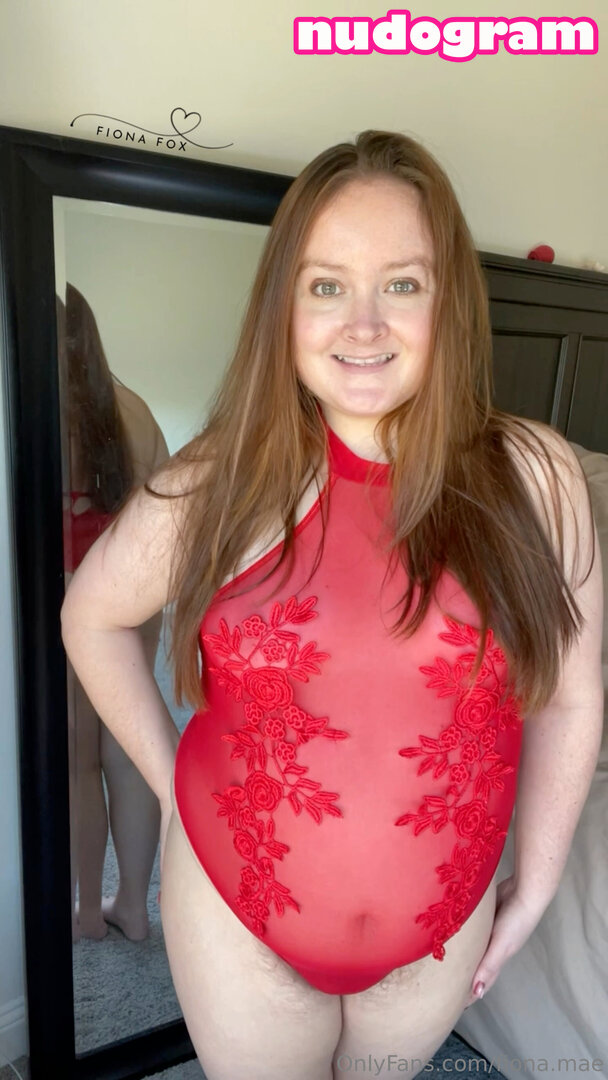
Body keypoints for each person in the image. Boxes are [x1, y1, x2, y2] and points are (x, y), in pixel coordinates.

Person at [60, 131, 603, 1079]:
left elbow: (570, 692)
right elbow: (92, 616)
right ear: (285, 304)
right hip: (238, 913)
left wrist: (539, 882)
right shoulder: (220, 480)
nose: (363, 323)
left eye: (402, 283)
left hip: (437, 933)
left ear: (449, 302)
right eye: (325, 285)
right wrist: (171, 786)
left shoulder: (537, 477)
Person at [59, 284, 169, 941]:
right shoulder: (134, 408)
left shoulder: (42, 406)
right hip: (137, 593)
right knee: (127, 751)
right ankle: (133, 906)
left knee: (79, 761)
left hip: (74, 597)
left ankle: (86, 915)